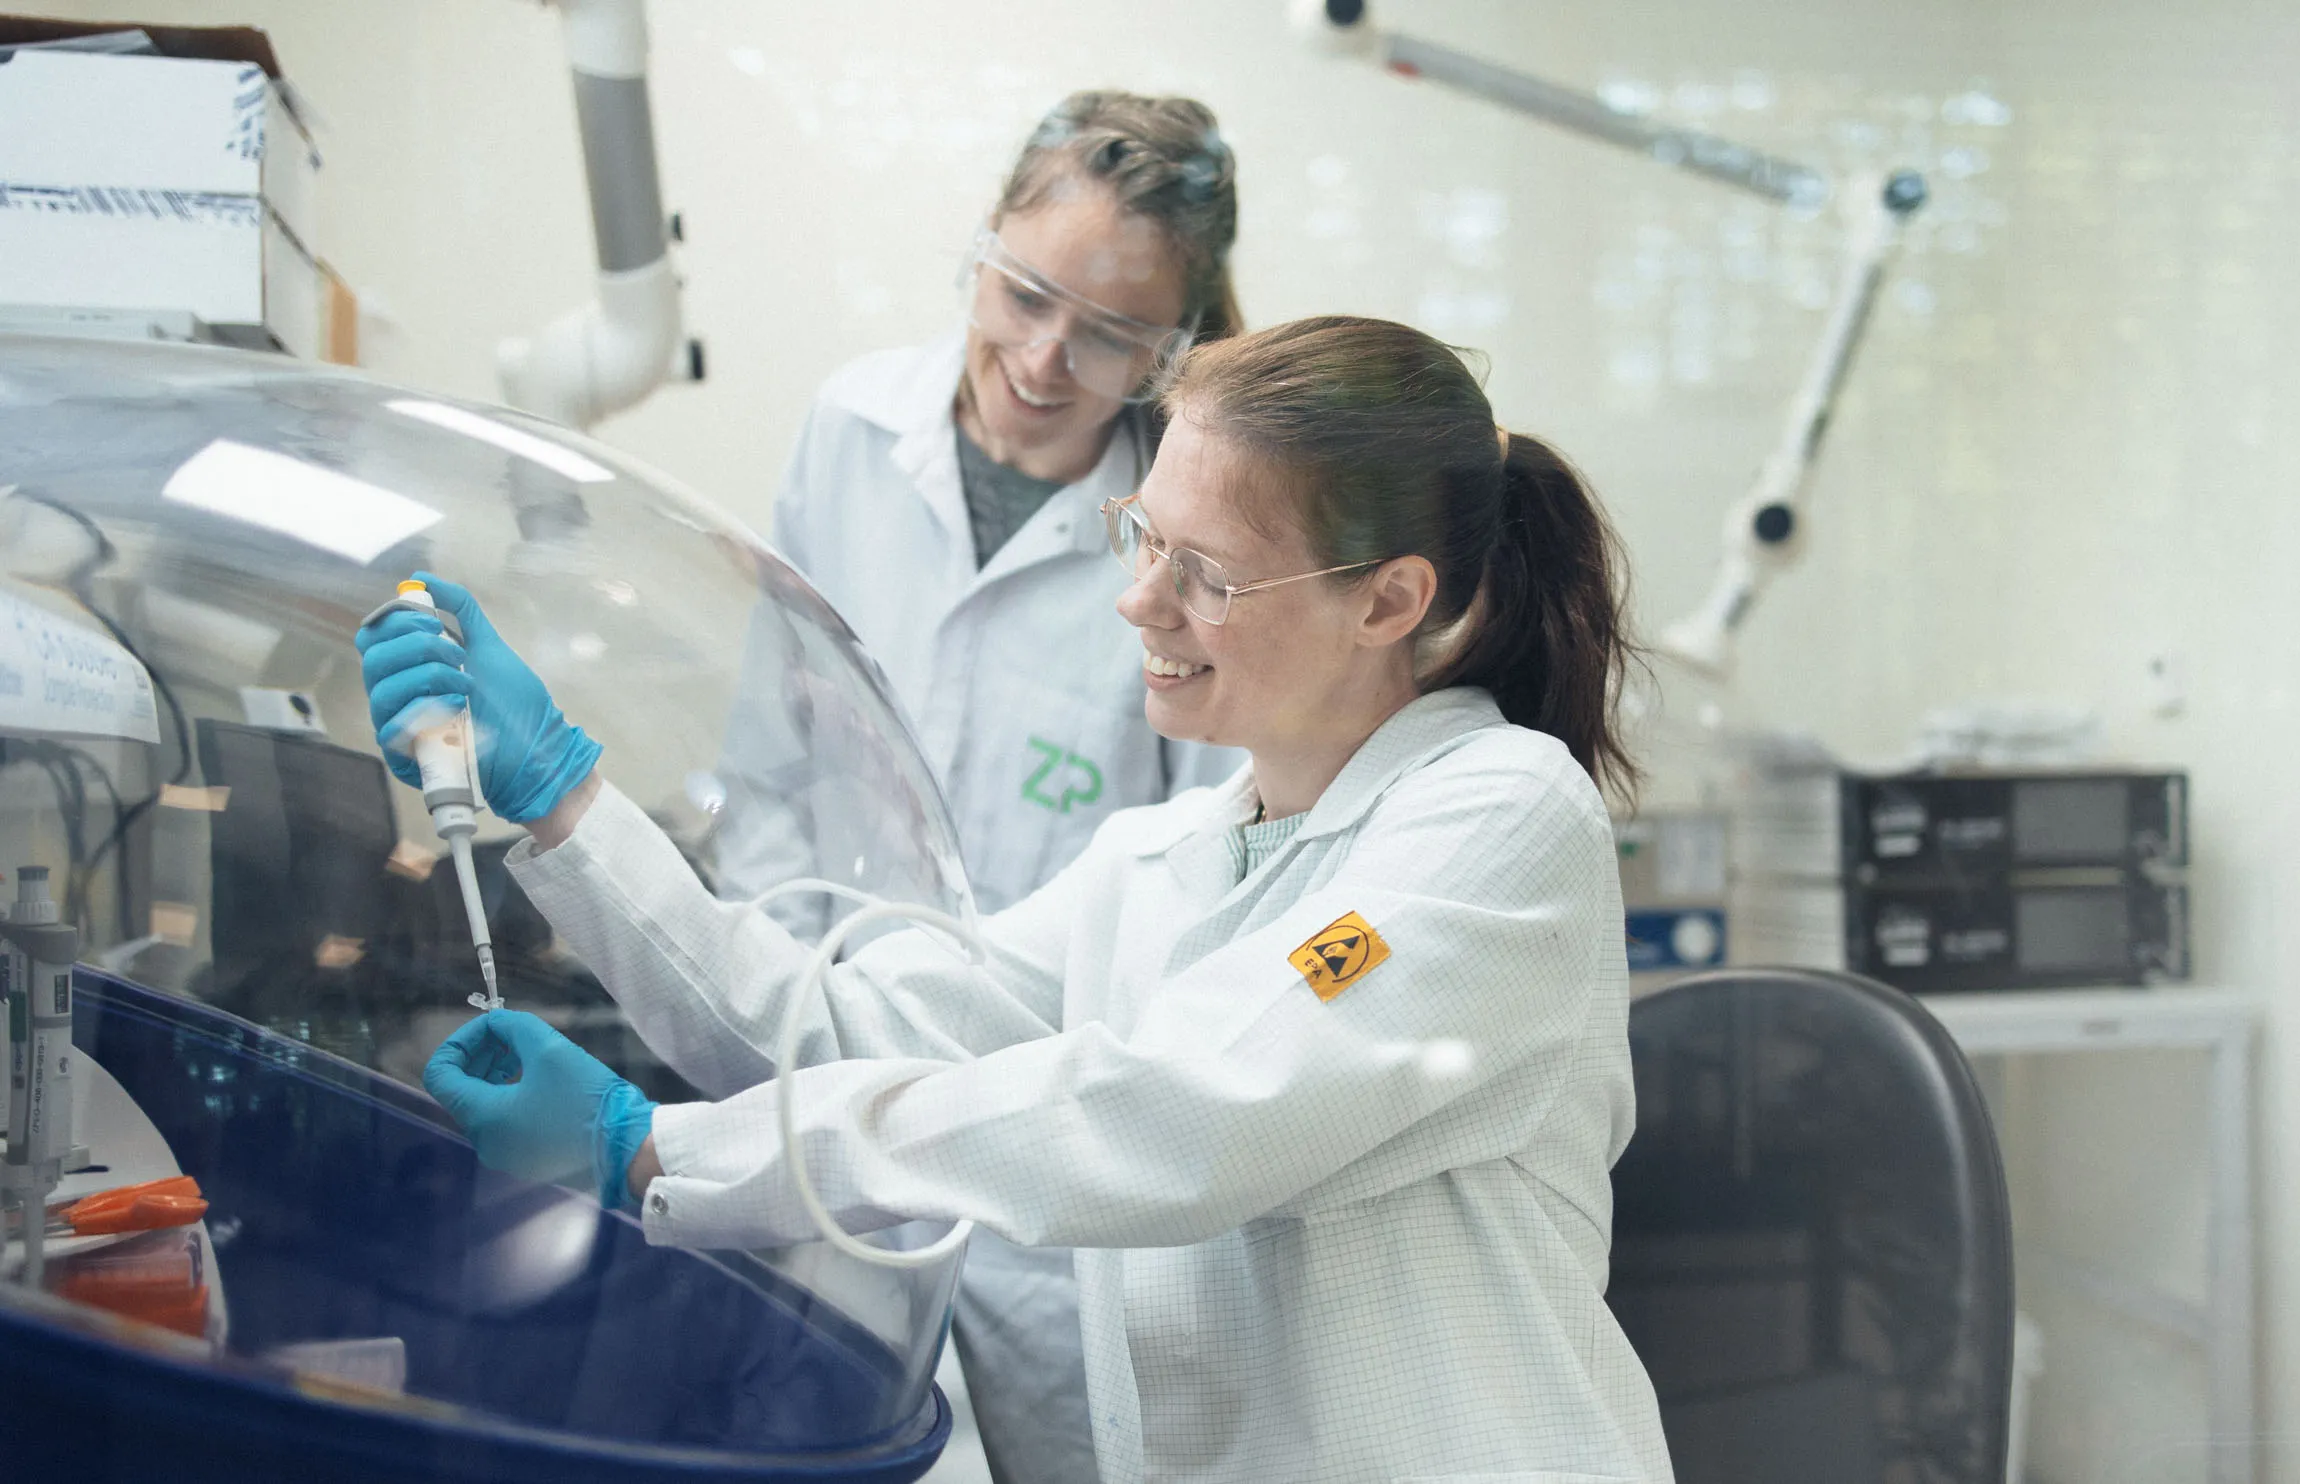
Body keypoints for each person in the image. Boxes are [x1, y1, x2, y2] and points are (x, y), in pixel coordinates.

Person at [360, 315, 1674, 1481]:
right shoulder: (1158, 864)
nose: (1137, 599)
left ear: (1390, 599)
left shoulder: (1500, 819)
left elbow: (1176, 1115)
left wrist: (663, 1153)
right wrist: (570, 807)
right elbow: (822, 1026)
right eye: (1145, 536)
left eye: (1206, 573)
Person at [719, 90, 1245, 1484]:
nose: (1045, 355)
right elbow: (767, 762)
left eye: (1113, 332)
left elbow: (1213, 866)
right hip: (816, 1081)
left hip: (1039, 1147)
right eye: (1023, 293)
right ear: (984, 244)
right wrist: (772, 1013)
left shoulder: (1190, 541)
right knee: (819, 1444)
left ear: (1173, 348)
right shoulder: (849, 433)